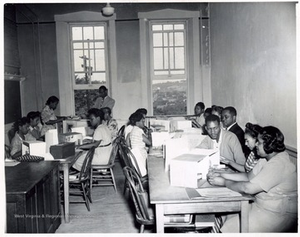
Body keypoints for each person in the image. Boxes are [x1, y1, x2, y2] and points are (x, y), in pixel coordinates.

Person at [207, 126, 297, 233]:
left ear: (268, 144)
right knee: (226, 214)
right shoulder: (266, 158)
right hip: (261, 206)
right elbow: (247, 176)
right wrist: (221, 174)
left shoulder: (279, 164)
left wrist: (224, 182)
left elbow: (248, 188)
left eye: (258, 142)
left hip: (278, 214)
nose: (256, 145)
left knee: (231, 227)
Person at [129, 112, 152, 177]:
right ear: (137, 123)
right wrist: (150, 134)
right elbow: (149, 143)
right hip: (139, 155)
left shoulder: (134, 130)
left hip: (136, 154)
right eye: (142, 121)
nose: (144, 123)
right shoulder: (138, 131)